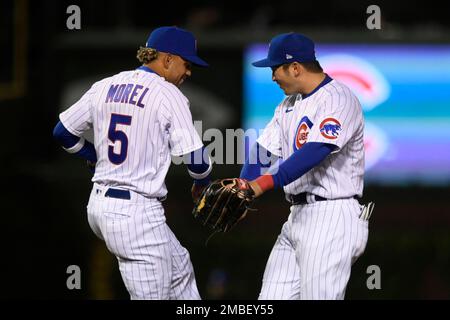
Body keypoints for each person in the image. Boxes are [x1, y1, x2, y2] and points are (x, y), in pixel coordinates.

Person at [53, 26, 212, 300]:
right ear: (167, 59)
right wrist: (204, 184)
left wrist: (92, 156)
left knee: (180, 269)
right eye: (186, 64)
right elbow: (196, 160)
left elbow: (63, 132)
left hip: (100, 206)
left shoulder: (105, 85)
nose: (189, 72)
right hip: (135, 214)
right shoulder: (167, 93)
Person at [240, 32, 371, 299]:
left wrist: (264, 183)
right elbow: (262, 151)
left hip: (332, 213)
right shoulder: (288, 105)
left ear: (295, 68)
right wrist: (243, 187)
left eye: (275, 68)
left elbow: (317, 150)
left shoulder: (339, 98)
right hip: (297, 216)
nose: (273, 76)